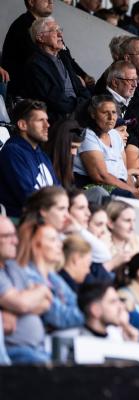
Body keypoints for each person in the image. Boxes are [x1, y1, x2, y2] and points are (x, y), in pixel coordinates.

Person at [0, 216, 51, 364]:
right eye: (8, 236)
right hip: (15, 351)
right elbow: (22, 303)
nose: (15, 241)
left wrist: (13, 308)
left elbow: (46, 302)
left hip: (37, 348)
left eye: (14, 235)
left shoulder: (13, 266)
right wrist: (30, 297)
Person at [17, 221, 84, 330]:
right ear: (36, 245)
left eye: (58, 239)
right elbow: (60, 317)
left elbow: (77, 302)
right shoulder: (27, 275)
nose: (60, 244)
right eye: (53, 240)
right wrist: (92, 315)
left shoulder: (53, 278)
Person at [73, 95, 139, 199]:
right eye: (105, 112)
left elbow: (124, 172)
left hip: (120, 187)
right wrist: (131, 191)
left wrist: (135, 192)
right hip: (95, 187)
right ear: (93, 114)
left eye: (114, 112)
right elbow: (100, 176)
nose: (111, 117)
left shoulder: (115, 135)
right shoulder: (88, 135)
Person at [23, 17, 91, 122]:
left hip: (77, 112)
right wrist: (81, 106)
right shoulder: (35, 64)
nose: (60, 34)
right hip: (58, 118)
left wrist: (85, 104)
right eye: (54, 31)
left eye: (60, 30)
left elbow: (82, 89)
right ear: (40, 38)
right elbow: (55, 100)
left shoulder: (63, 57)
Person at [0, 100, 58, 217]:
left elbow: (57, 189)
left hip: (49, 215)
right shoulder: (12, 152)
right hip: (22, 221)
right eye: (40, 120)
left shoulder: (41, 154)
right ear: (23, 125)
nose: (47, 125)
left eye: (46, 120)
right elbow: (28, 197)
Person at [47, 119, 86, 190]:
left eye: (77, 148)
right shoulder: (45, 163)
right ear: (60, 143)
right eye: (72, 147)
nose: (74, 153)